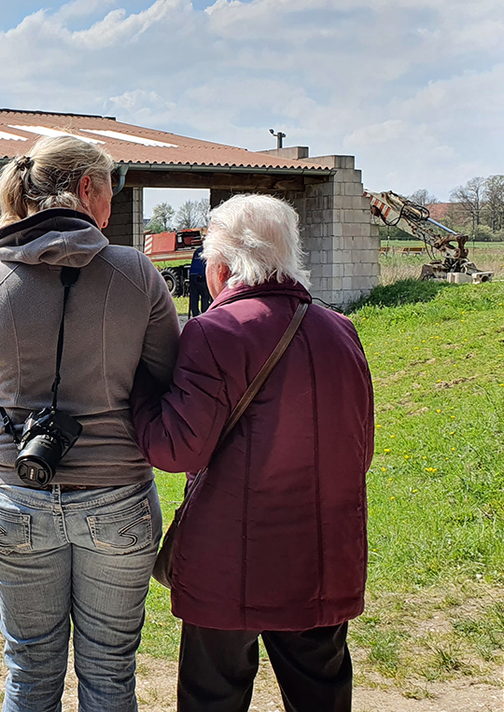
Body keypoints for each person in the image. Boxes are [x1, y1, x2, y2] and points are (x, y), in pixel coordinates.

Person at [0, 135, 179, 712]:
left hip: (16, 495)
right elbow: (166, 383)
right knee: (110, 672)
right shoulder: (137, 274)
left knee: (29, 670)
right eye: (110, 190)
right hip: (118, 498)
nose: (111, 205)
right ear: (86, 188)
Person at [131, 194, 374, 712]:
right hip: (323, 557)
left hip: (229, 562)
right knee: (321, 693)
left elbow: (176, 449)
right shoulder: (342, 330)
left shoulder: (214, 332)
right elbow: (362, 448)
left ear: (220, 266)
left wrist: (140, 389)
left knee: (213, 696)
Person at [187, 245, 211, 317]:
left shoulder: (198, 250)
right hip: (202, 274)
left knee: (194, 296)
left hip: (192, 274)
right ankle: (205, 313)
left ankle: (195, 313)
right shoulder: (209, 251)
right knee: (205, 296)